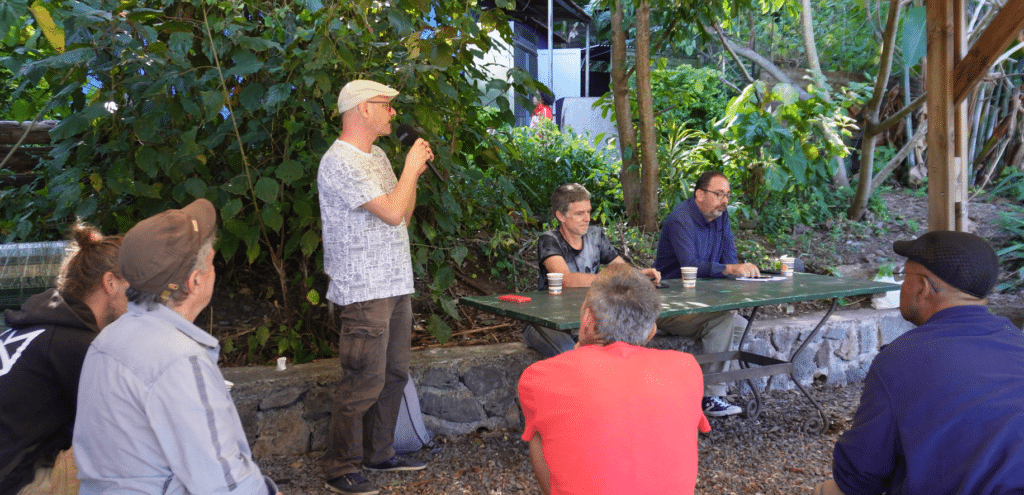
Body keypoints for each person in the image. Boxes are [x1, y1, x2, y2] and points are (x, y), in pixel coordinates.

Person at [72, 199, 280, 495]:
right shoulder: (181, 360)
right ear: (195, 281)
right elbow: (224, 486)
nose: (215, 264)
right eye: (211, 261)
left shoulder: (108, 340)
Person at [813, 231, 1024, 495]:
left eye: (903, 277)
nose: (902, 286)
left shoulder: (901, 360)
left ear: (923, 287)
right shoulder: (1018, 342)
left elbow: (858, 478)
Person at [317, 79, 434, 495]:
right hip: (365, 289)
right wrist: (409, 169)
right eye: (386, 105)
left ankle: (378, 453)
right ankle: (340, 467)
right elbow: (387, 211)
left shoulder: (380, 155)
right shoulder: (340, 161)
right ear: (362, 109)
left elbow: (403, 213)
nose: (393, 113)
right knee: (362, 378)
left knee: (395, 372)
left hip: (396, 280)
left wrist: (412, 174)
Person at [518, 264, 711, 494]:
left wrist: (580, 351)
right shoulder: (686, 368)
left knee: (539, 429)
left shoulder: (540, 377)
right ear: (651, 332)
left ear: (588, 319)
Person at [0, 224, 127, 495]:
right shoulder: (77, 345)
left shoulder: (41, 324)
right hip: (14, 481)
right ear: (110, 282)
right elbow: (122, 424)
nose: (143, 298)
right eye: (136, 286)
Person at [653, 170, 757, 417]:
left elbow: (730, 258)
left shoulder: (720, 216)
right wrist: (730, 269)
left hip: (701, 304)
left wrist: (734, 288)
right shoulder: (681, 219)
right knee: (722, 321)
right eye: (718, 194)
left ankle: (702, 383)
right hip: (671, 306)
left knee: (740, 325)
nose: (724, 200)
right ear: (699, 194)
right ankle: (711, 395)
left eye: (727, 195)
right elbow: (690, 264)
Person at [525, 183, 661, 356]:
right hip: (546, 324)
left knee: (624, 344)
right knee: (571, 353)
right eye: (579, 213)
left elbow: (620, 267)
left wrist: (637, 275)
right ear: (561, 215)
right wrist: (612, 278)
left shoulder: (595, 235)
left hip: (587, 320)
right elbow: (566, 280)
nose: (587, 218)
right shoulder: (549, 240)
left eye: (588, 212)